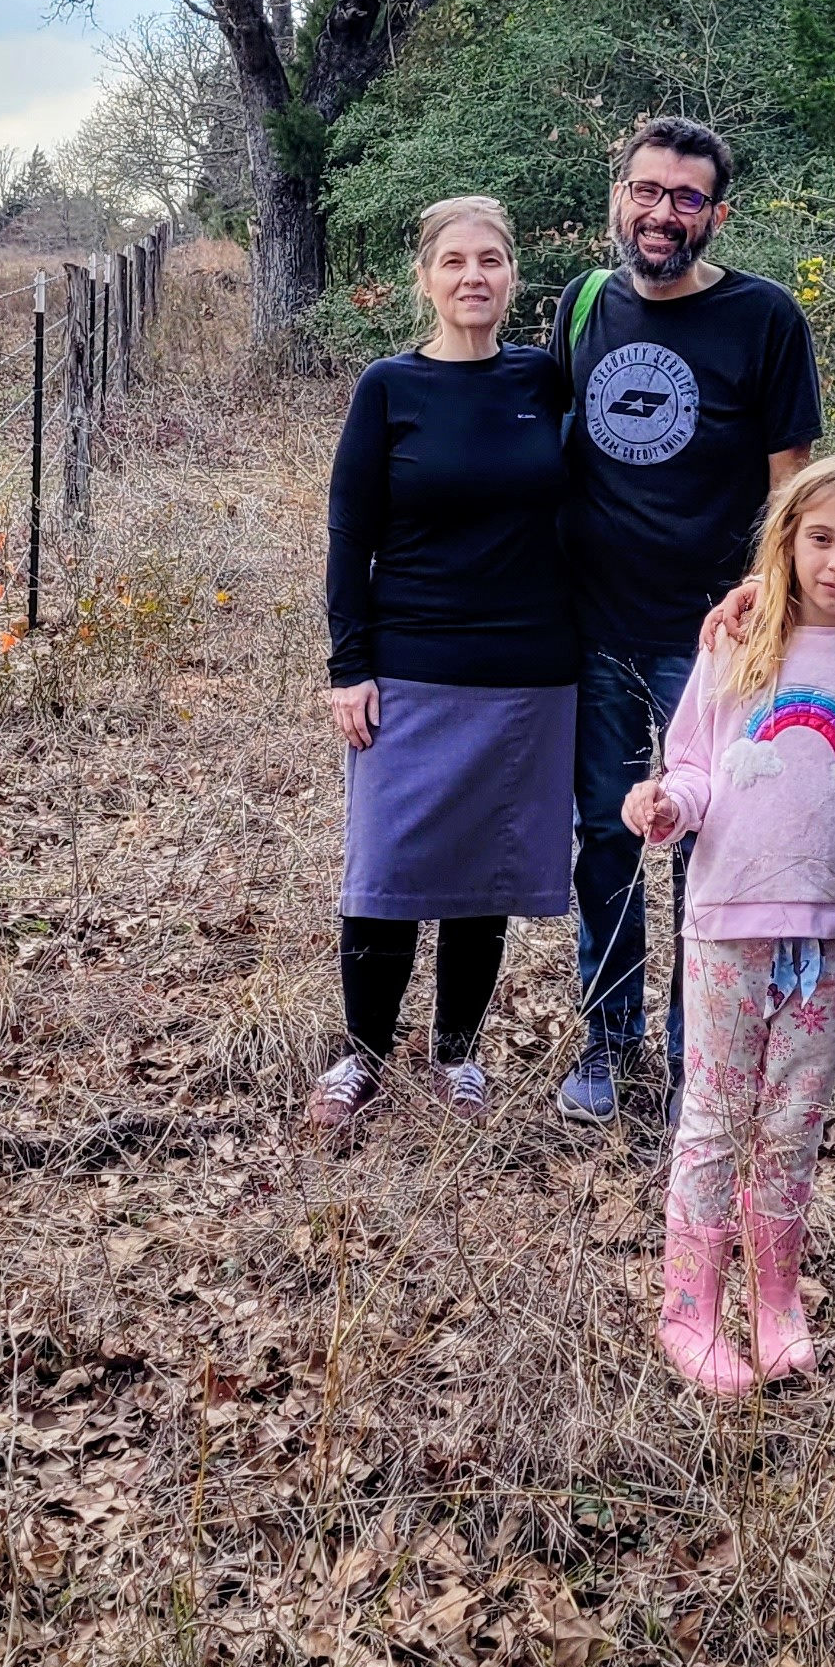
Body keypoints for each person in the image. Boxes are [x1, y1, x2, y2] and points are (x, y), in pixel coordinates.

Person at [550, 115, 822, 1127]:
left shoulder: (765, 320)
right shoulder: (583, 306)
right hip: (595, 625)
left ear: (716, 213)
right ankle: (608, 1041)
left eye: (687, 198)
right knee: (606, 838)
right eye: (648, 191)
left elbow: (792, 491)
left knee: (709, 842)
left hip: (715, 640)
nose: (663, 213)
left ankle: (694, 1057)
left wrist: (769, 620)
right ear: (618, 193)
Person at [623, 455, 835, 1395]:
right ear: (785, 542)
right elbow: (696, 765)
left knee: (794, 1120)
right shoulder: (738, 644)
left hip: (834, 931)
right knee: (712, 1117)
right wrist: (667, 806)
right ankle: (689, 1310)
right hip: (728, 923)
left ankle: (776, 1298)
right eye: (820, 538)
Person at [316, 194, 576, 1142]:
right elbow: (351, 537)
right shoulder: (390, 387)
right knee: (387, 862)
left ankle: (459, 1052)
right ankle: (361, 1056)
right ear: (425, 277)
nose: (476, 276)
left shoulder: (546, 381)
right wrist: (352, 665)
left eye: (493, 260)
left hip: (529, 665)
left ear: (513, 276)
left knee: (485, 869)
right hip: (412, 660)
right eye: (456, 261)